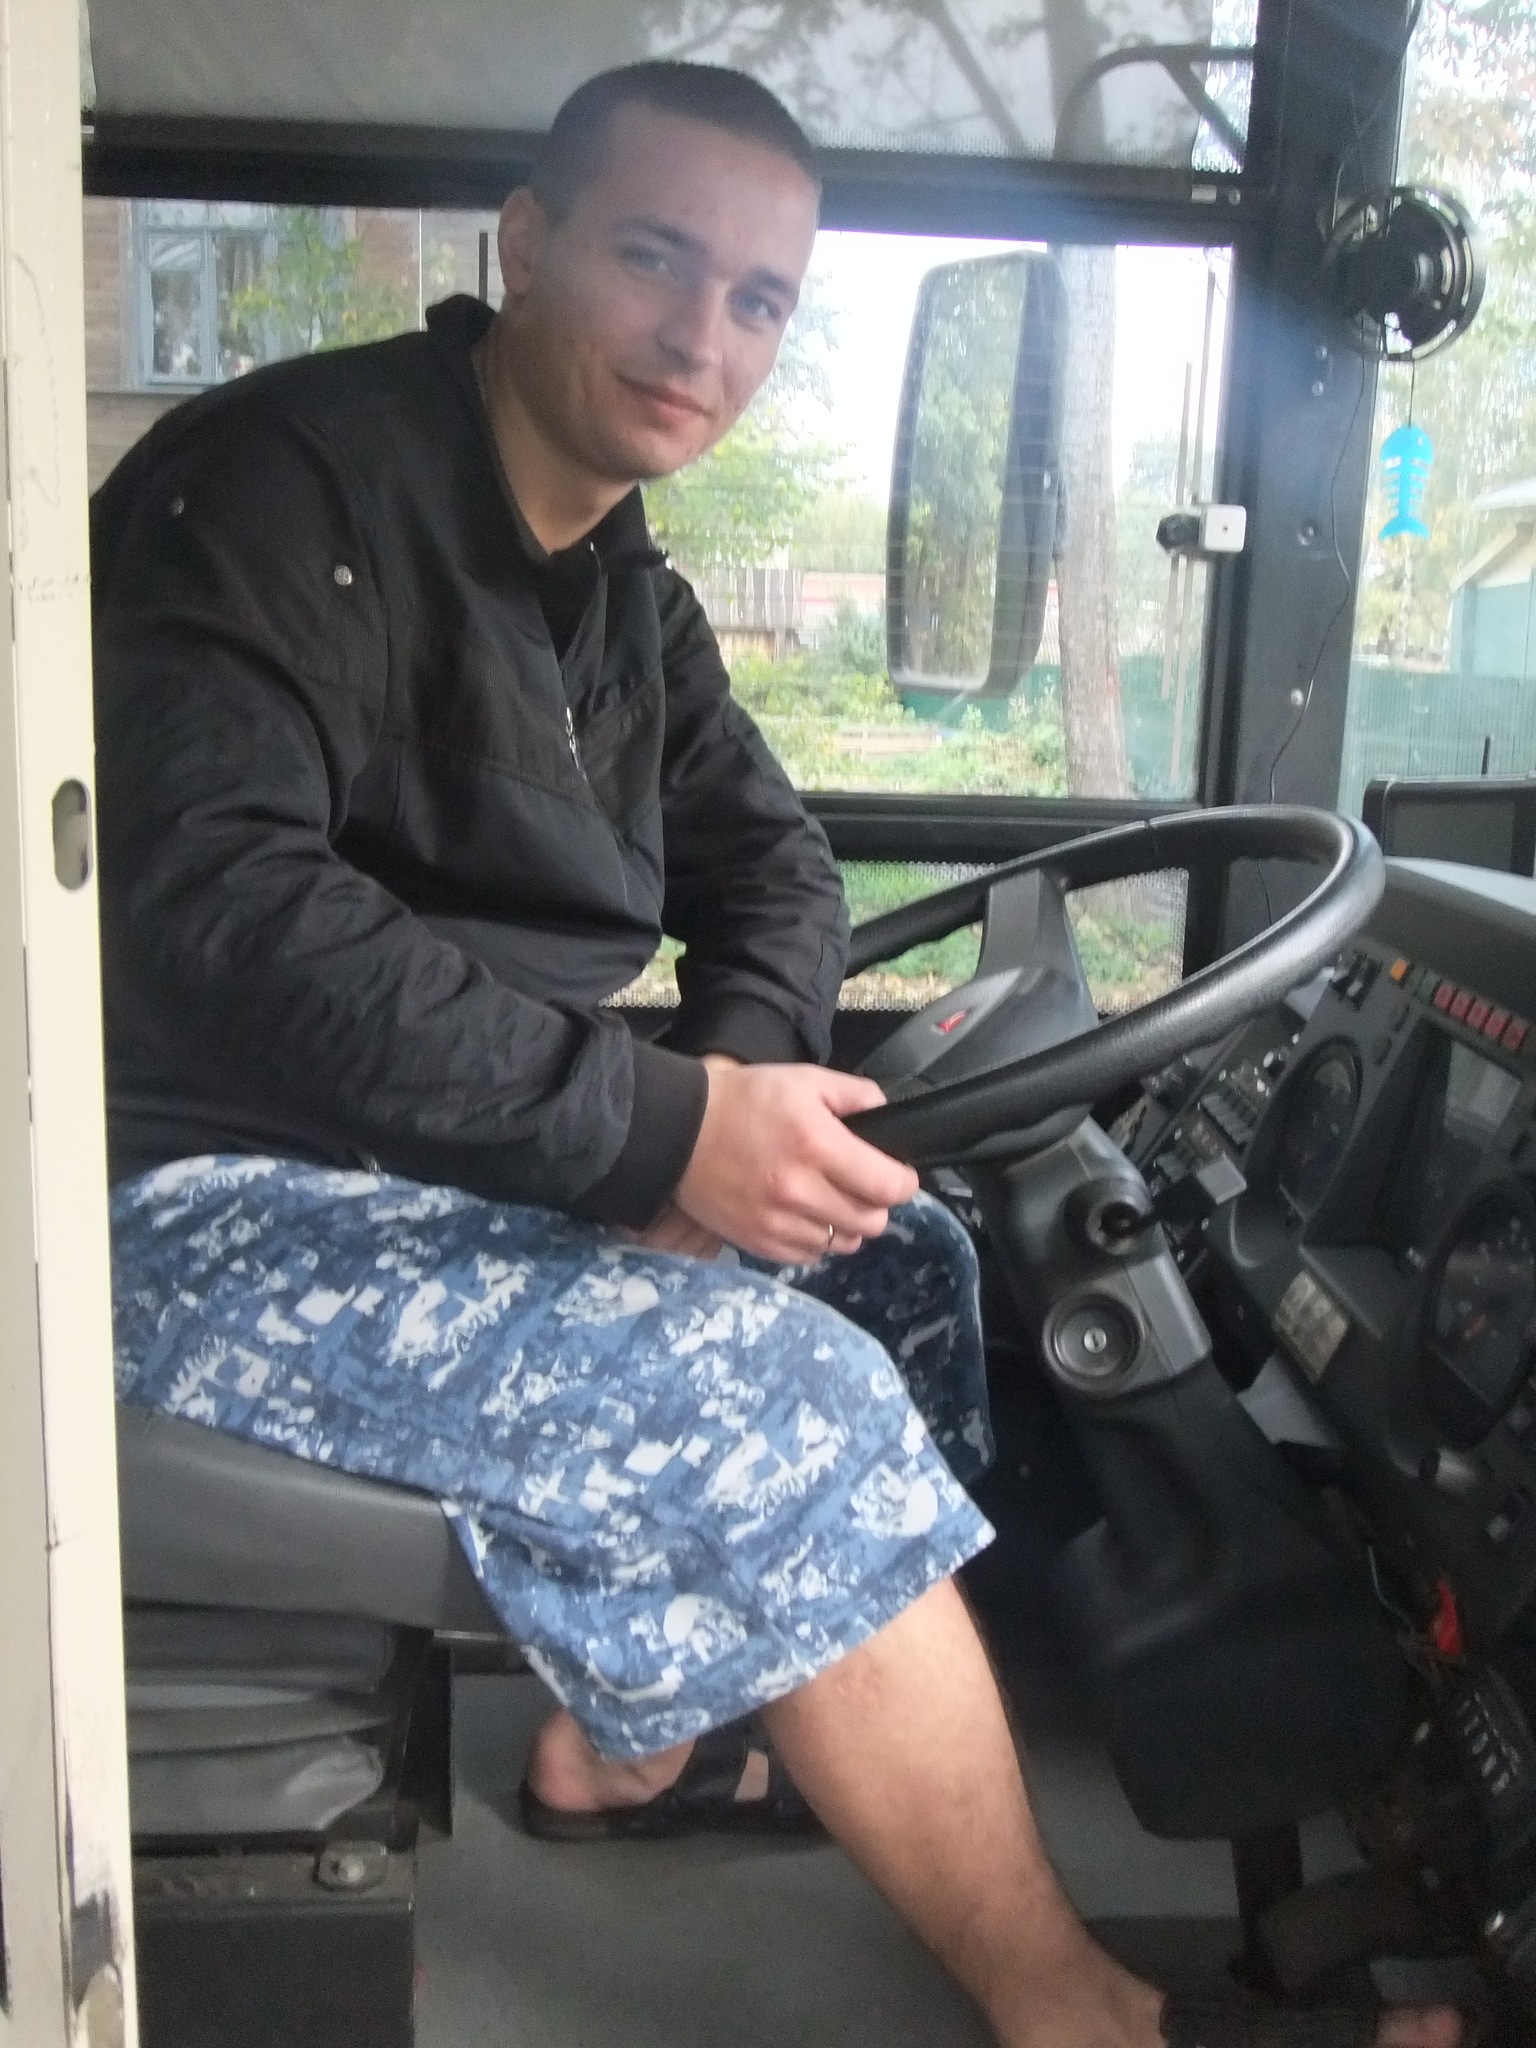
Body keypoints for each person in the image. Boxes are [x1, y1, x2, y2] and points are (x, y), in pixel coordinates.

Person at [94, 59, 1461, 2048]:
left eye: (757, 299)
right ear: (530, 245)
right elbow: (221, 905)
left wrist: (718, 1129)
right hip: (181, 1204)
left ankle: (622, 1746)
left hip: (431, 1164)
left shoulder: (621, 588)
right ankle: (1074, 2010)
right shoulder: (283, 490)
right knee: (790, 1403)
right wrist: (654, 1130)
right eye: (655, 260)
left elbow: (778, 871)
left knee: (897, 1256)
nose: (701, 338)